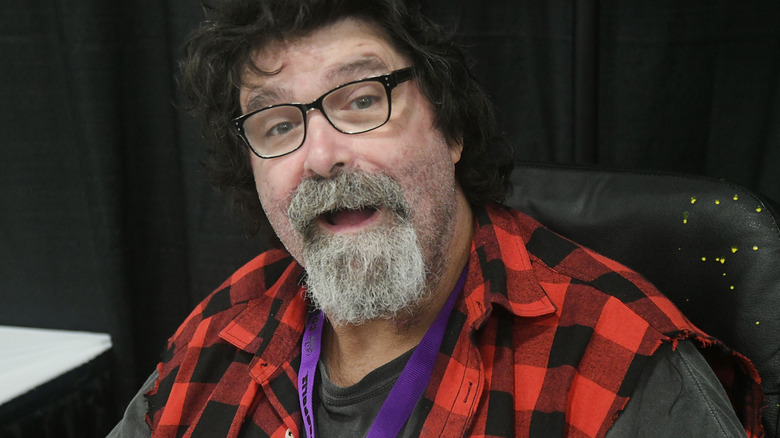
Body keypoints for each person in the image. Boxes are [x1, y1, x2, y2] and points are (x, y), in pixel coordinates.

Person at [109, 0, 765, 437]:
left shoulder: (616, 361)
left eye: (362, 100)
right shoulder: (216, 339)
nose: (321, 156)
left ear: (450, 129)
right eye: (278, 123)